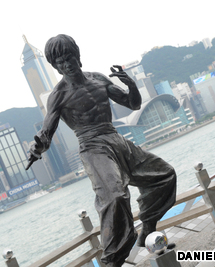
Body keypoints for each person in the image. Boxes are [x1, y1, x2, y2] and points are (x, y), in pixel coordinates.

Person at [27, 34, 177, 267]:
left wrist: (131, 84)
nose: (66, 64)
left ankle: (147, 230)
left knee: (164, 175)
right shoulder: (59, 95)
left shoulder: (98, 79)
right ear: (55, 67)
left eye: (68, 57)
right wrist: (36, 148)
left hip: (116, 138)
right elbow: (47, 130)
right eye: (60, 62)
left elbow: (133, 104)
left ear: (77, 55)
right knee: (115, 197)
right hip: (93, 147)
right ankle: (111, 261)